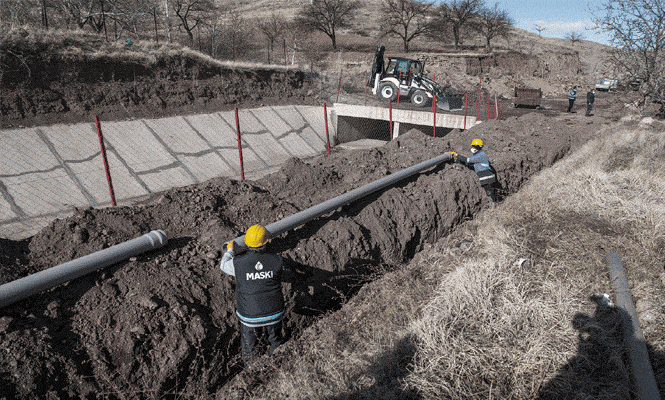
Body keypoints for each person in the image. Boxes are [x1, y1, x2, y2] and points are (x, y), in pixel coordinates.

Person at [220, 224, 285, 365]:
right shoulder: (278, 261)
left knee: (250, 347)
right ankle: (278, 365)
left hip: (249, 316)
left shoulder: (238, 264)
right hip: (275, 313)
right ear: (266, 242)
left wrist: (230, 251)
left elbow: (223, 265)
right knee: (276, 340)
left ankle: (252, 372)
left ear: (247, 243)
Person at [449, 139, 497, 205]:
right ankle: (493, 203)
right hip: (487, 175)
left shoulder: (480, 155)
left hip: (486, 176)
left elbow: (467, 160)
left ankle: (492, 205)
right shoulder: (480, 155)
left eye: (473, 147)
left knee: (488, 192)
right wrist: (458, 161)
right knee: (489, 191)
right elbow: (470, 164)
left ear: (476, 147)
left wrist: (457, 155)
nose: (472, 148)